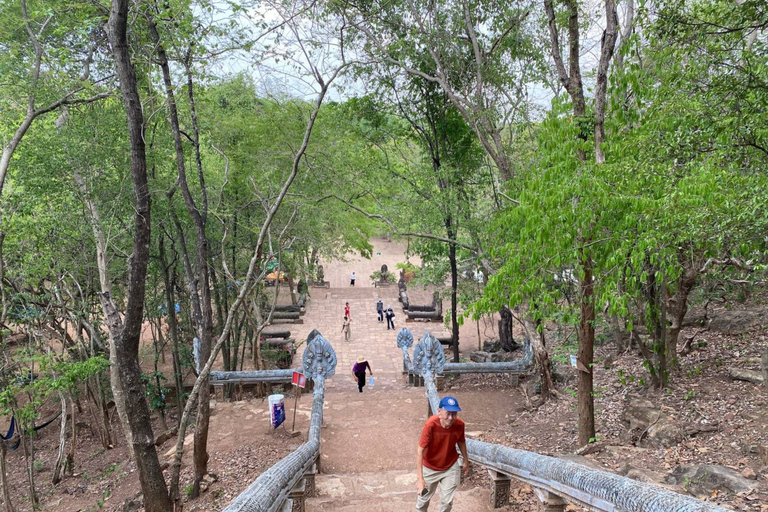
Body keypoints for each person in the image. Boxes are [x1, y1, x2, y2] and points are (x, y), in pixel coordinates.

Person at [416, 396, 470, 512]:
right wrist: (420, 479)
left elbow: (461, 442)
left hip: (450, 466)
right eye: (448, 414)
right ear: (439, 412)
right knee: (423, 501)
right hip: (430, 467)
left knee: (447, 502)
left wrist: (466, 460)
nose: (451, 418)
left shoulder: (460, 424)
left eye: (454, 414)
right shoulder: (430, 425)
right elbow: (420, 451)